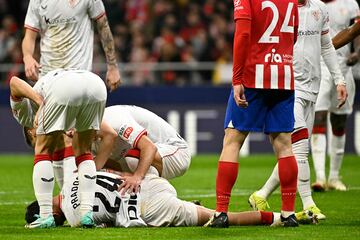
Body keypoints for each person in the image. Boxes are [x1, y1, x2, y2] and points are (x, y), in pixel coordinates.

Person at [248, 0, 347, 221]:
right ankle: (308, 204)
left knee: (293, 153)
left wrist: (339, 79)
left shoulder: (319, 8)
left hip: (313, 85)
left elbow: (326, 46)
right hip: (288, 88)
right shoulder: (281, 7)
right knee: (300, 150)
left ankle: (261, 194)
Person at [205, 0, 300, 228]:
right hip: (283, 75)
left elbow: (243, 34)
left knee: (232, 140)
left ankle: (221, 213)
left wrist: (237, 78)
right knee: (285, 144)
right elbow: (294, 34)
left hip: (253, 75)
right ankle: (288, 213)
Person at [24, 164, 316, 228]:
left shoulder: (75, 218)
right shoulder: (78, 174)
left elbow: (95, 222)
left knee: (222, 219)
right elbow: (108, 168)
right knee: (203, 212)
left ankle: (280, 218)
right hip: (147, 182)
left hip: (150, 207)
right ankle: (285, 213)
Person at [9, 69, 107, 228]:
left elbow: (14, 82)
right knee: (84, 151)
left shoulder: (23, 115)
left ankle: (45, 216)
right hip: (96, 85)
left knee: (43, 151)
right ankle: (87, 215)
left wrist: (40, 102)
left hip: (63, 89)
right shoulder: (59, 120)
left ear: (31, 134)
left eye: (35, 139)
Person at [311, 0, 360, 192]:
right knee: (318, 117)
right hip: (318, 67)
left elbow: (355, 31)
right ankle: (320, 177)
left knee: (339, 122)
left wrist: (357, 53)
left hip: (343, 67)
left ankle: (334, 176)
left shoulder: (350, 4)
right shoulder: (309, 3)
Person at [22, 0, 121, 90]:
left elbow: (103, 27)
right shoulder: (37, 1)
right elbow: (29, 36)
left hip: (80, 75)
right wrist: (27, 57)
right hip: (48, 76)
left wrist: (112, 66)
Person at [93, 105, 191, 194]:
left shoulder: (114, 120)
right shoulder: (86, 137)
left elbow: (149, 147)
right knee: (106, 173)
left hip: (176, 150)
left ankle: (161, 195)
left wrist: (137, 177)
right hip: (144, 157)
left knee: (133, 159)